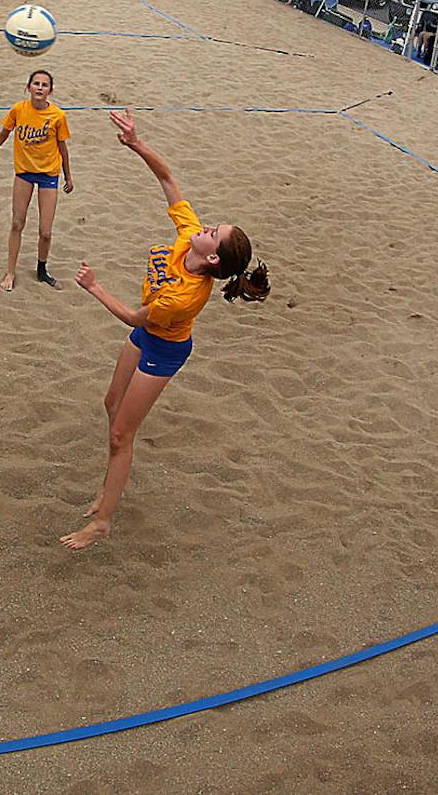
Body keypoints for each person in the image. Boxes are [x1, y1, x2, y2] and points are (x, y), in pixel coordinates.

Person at [62, 110, 268, 550]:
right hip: (147, 335)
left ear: (213, 258)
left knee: (122, 434)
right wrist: (136, 143)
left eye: (214, 232)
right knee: (110, 403)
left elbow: (138, 318)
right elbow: (169, 179)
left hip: (165, 349)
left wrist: (95, 288)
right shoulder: (188, 236)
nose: (206, 226)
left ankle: (103, 520)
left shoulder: (187, 295)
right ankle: (108, 486)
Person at [0, 69, 73, 291]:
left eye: (45, 85)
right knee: (17, 223)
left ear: (50, 91)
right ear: (28, 88)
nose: (39, 87)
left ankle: (42, 270)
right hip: (24, 172)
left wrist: (68, 176)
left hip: (49, 175)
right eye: (36, 83)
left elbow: (63, 149)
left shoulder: (58, 116)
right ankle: (10, 272)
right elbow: (2, 136)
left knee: (45, 232)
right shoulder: (18, 110)